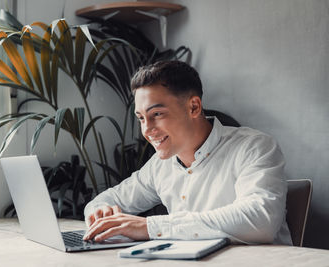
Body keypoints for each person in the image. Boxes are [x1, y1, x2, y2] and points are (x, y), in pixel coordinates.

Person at [83, 61, 292, 245]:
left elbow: (261, 220)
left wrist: (150, 227)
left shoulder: (254, 147)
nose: (146, 130)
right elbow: (106, 200)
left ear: (193, 107)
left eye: (157, 114)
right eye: (141, 118)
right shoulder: (159, 165)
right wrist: (100, 214)